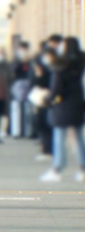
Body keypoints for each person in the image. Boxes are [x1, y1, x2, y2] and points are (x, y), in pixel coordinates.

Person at [40, 37, 85, 182]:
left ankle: (57, 168)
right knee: (78, 138)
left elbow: (57, 89)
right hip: (78, 105)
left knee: (59, 137)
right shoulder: (80, 63)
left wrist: (47, 100)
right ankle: (83, 168)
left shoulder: (60, 66)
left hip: (63, 107)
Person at [31, 45, 55, 162]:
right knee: (42, 125)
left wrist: (39, 76)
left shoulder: (52, 68)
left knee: (44, 125)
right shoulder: (48, 67)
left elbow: (42, 83)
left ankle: (48, 150)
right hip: (43, 98)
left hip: (46, 98)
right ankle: (46, 149)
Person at [10, 42, 33, 138]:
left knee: (27, 108)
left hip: (28, 84)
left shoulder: (31, 60)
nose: (24, 51)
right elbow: (12, 71)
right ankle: (17, 131)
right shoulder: (16, 60)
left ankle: (27, 131)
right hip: (18, 84)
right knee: (17, 108)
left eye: (25, 49)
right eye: (22, 49)